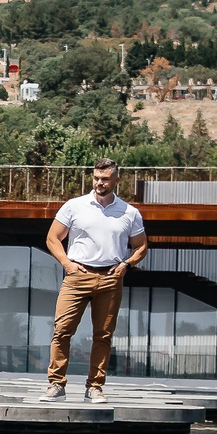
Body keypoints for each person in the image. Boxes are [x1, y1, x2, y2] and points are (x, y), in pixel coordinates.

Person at [44, 159, 146, 401]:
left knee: (103, 335)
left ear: (116, 181)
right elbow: (52, 238)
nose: (100, 183)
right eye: (96, 178)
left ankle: (95, 386)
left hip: (111, 278)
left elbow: (141, 247)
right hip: (77, 276)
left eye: (105, 179)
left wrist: (126, 265)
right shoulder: (74, 206)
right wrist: (67, 264)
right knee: (62, 330)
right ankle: (56, 383)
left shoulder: (130, 213)